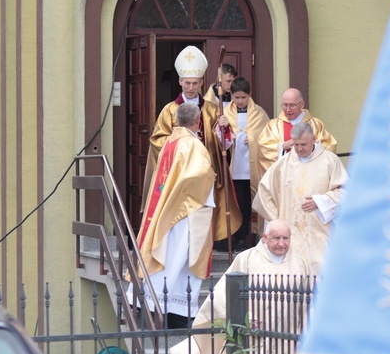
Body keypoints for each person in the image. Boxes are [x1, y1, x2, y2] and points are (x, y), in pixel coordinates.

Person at [170, 219, 310, 354]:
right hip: (253, 338)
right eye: (276, 238)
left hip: (287, 341)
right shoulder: (246, 259)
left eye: (286, 238)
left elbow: (307, 304)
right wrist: (245, 317)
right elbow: (225, 295)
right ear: (264, 237)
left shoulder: (300, 264)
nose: (281, 243)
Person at [143, 45, 241, 246]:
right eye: (187, 83)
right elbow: (157, 140)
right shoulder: (170, 110)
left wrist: (224, 130)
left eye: (194, 83)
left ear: (201, 82)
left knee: (203, 211)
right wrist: (182, 145)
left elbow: (224, 144)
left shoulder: (213, 109)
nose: (190, 87)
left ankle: (205, 245)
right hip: (179, 173)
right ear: (180, 82)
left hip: (206, 172)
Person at [127, 103, 216, 325]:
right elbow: (199, 175)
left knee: (166, 256)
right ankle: (174, 314)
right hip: (185, 213)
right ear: (197, 121)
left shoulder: (170, 141)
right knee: (180, 258)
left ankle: (152, 304)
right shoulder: (193, 145)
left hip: (167, 209)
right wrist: (211, 177)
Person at [253, 122, 347, 275]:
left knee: (321, 271)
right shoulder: (283, 163)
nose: (299, 149)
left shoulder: (330, 161)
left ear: (314, 139)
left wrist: (321, 201)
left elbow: (344, 192)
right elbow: (263, 193)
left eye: (303, 144)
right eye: (296, 145)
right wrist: (277, 221)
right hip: (290, 235)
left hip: (320, 234)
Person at [215, 77, 269, 250]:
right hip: (233, 165)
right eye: (236, 97)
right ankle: (229, 236)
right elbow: (218, 138)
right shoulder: (224, 112)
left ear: (249, 95)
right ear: (231, 95)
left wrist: (252, 138)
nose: (240, 101)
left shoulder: (259, 113)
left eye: (243, 97)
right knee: (233, 202)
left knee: (246, 202)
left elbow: (266, 136)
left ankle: (243, 237)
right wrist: (222, 128)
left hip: (251, 167)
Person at [256, 88, 337, 180]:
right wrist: (282, 146)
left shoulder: (315, 124)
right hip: (284, 177)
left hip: (310, 175)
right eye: (285, 105)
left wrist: (313, 146)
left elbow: (329, 146)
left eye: (292, 105)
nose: (288, 109)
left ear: (302, 104)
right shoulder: (273, 125)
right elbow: (263, 149)